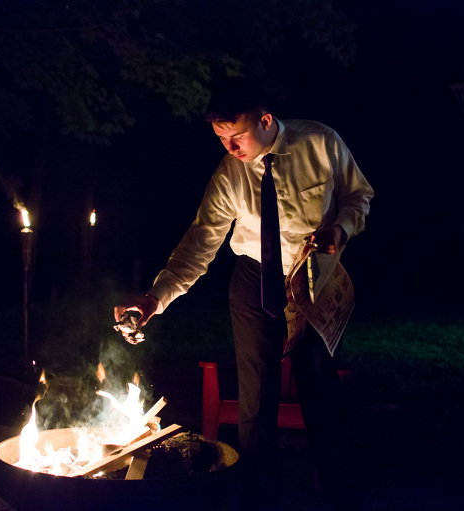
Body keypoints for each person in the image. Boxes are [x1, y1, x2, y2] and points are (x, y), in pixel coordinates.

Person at [114, 77, 373, 509]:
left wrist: (340, 229)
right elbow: (200, 244)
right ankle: (257, 495)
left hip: (315, 273)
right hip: (255, 277)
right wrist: (154, 299)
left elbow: (359, 195)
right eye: (220, 140)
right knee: (257, 392)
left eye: (236, 138)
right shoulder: (229, 174)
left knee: (318, 382)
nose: (230, 150)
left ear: (266, 120)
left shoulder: (321, 143)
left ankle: (338, 488)